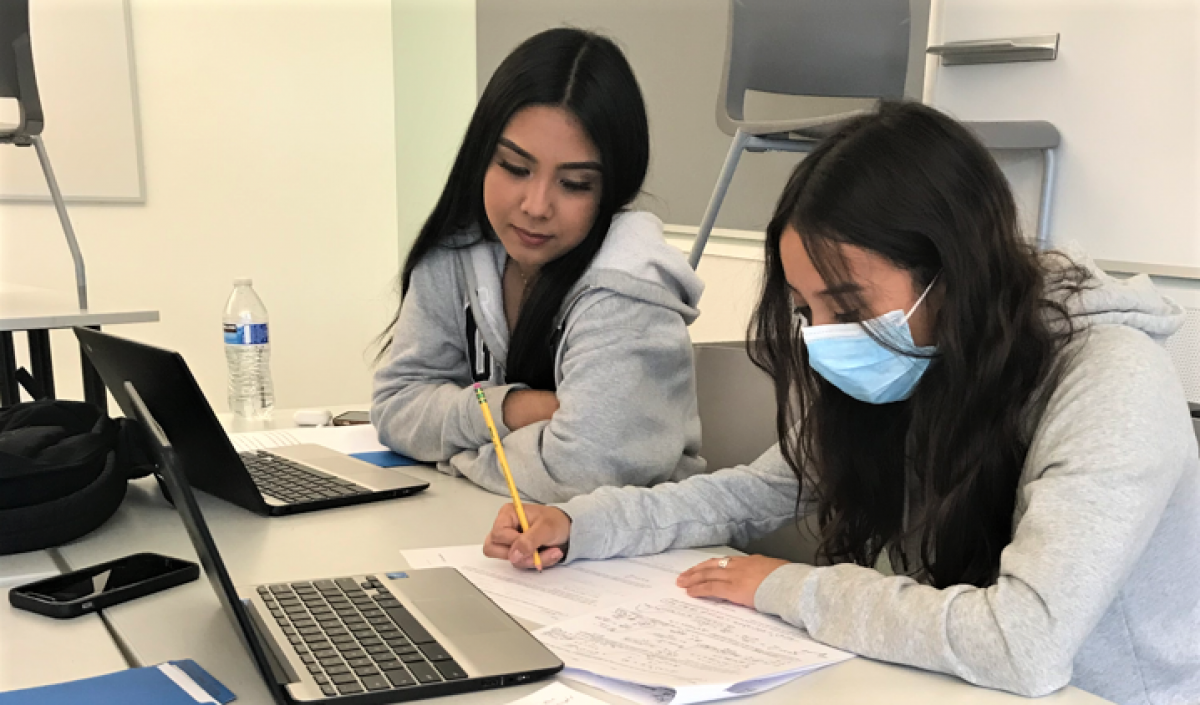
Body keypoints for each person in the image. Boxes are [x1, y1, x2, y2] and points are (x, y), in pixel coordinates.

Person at [483, 101, 1200, 705]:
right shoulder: (920, 355)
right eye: (805, 308)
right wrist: (582, 523)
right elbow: (752, 493)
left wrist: (790, 587)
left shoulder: (1113, 381)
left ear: (952, 274)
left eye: (847, 304)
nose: (823, 338)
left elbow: (1024, 640)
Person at [372, 28, 705, 503]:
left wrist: (451, 454)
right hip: (494, 527)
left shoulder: (628, 286)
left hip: (627, 563)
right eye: (514, 168)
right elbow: (397, 407)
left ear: (612, 191)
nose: (536, 205)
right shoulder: (457, 251)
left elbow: (583, 474)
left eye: (573, 184)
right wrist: (513, 409)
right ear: (480, 155)